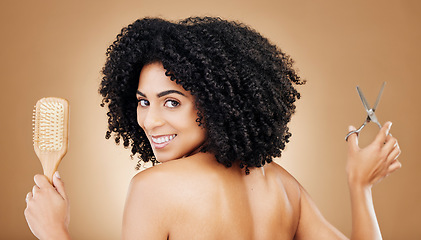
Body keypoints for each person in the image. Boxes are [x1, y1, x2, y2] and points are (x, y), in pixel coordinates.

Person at [24, 17, 402, 240]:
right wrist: (360, 186)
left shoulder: (154, 188)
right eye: (143, 101)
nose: (150, 121)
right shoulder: (283, 186)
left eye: (171, 102)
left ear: (216, 102)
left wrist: (54, 231)